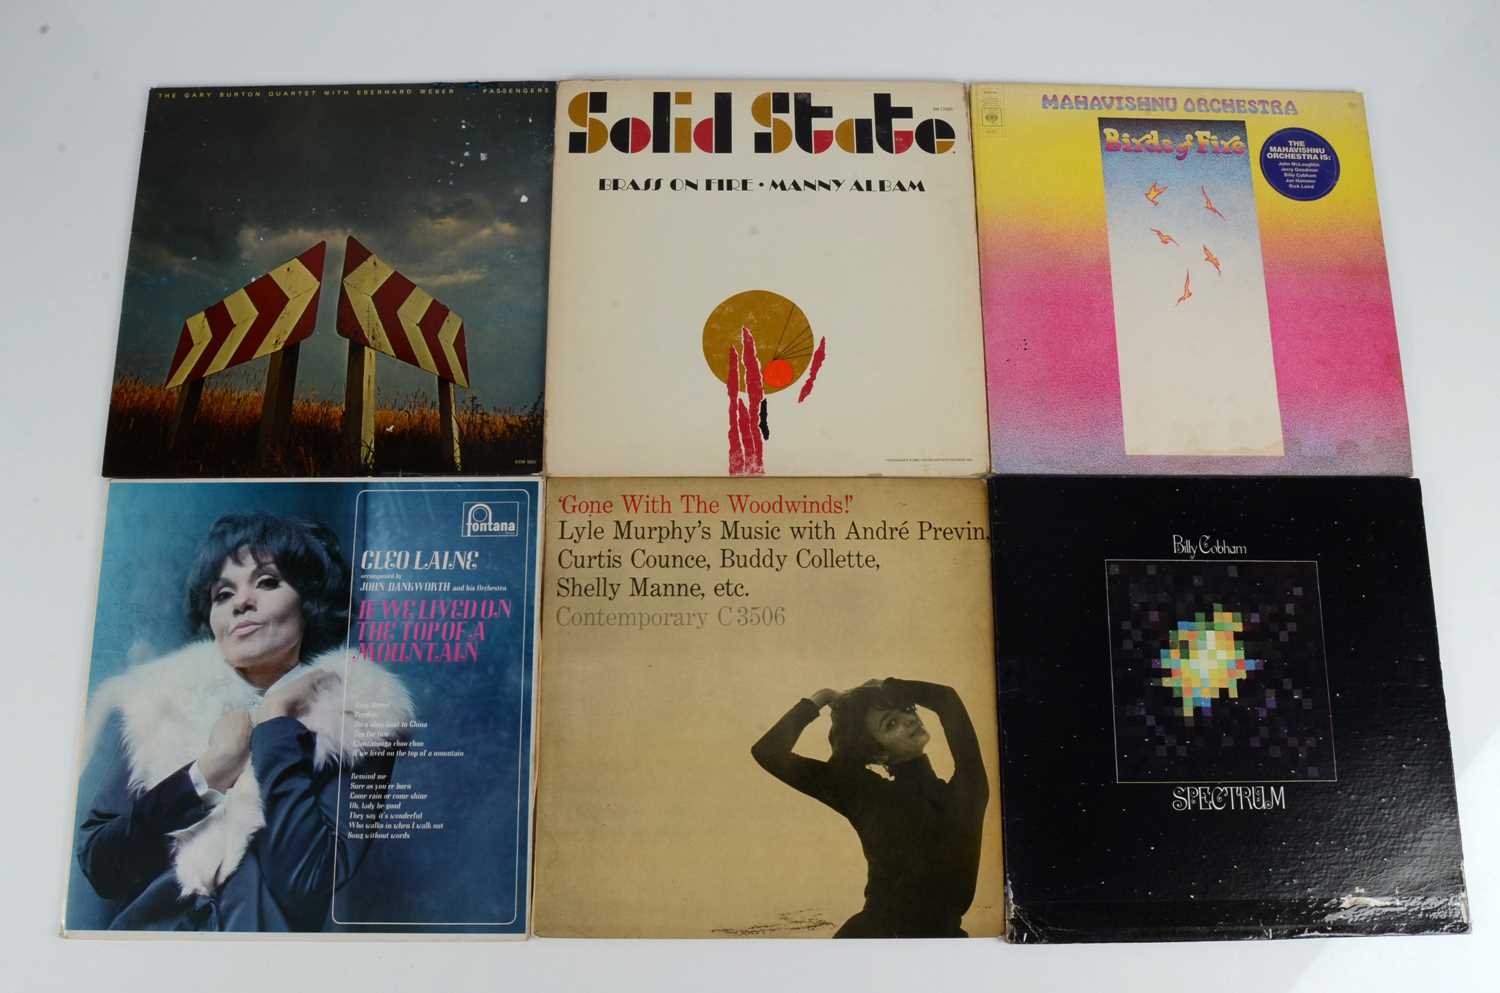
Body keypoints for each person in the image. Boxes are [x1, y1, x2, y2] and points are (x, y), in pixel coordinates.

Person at [74, 512, 413, 932]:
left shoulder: (356, 714)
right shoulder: (158, 701)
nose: (241, 602)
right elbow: (101, 867)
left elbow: (307, 884)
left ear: (309, 601)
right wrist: (206, 775)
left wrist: (275, 727)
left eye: (267, 582)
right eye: (223, 593)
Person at [751, 677, 989, 938]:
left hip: (943, 945)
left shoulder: (968, 790)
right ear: (879, 754)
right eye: (891, 723)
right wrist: (822, 696)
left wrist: (889, 686)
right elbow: (768, 751)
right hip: (871, 944)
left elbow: (947, 699)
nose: (909, 719)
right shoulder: (866, 795)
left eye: (906, 709)